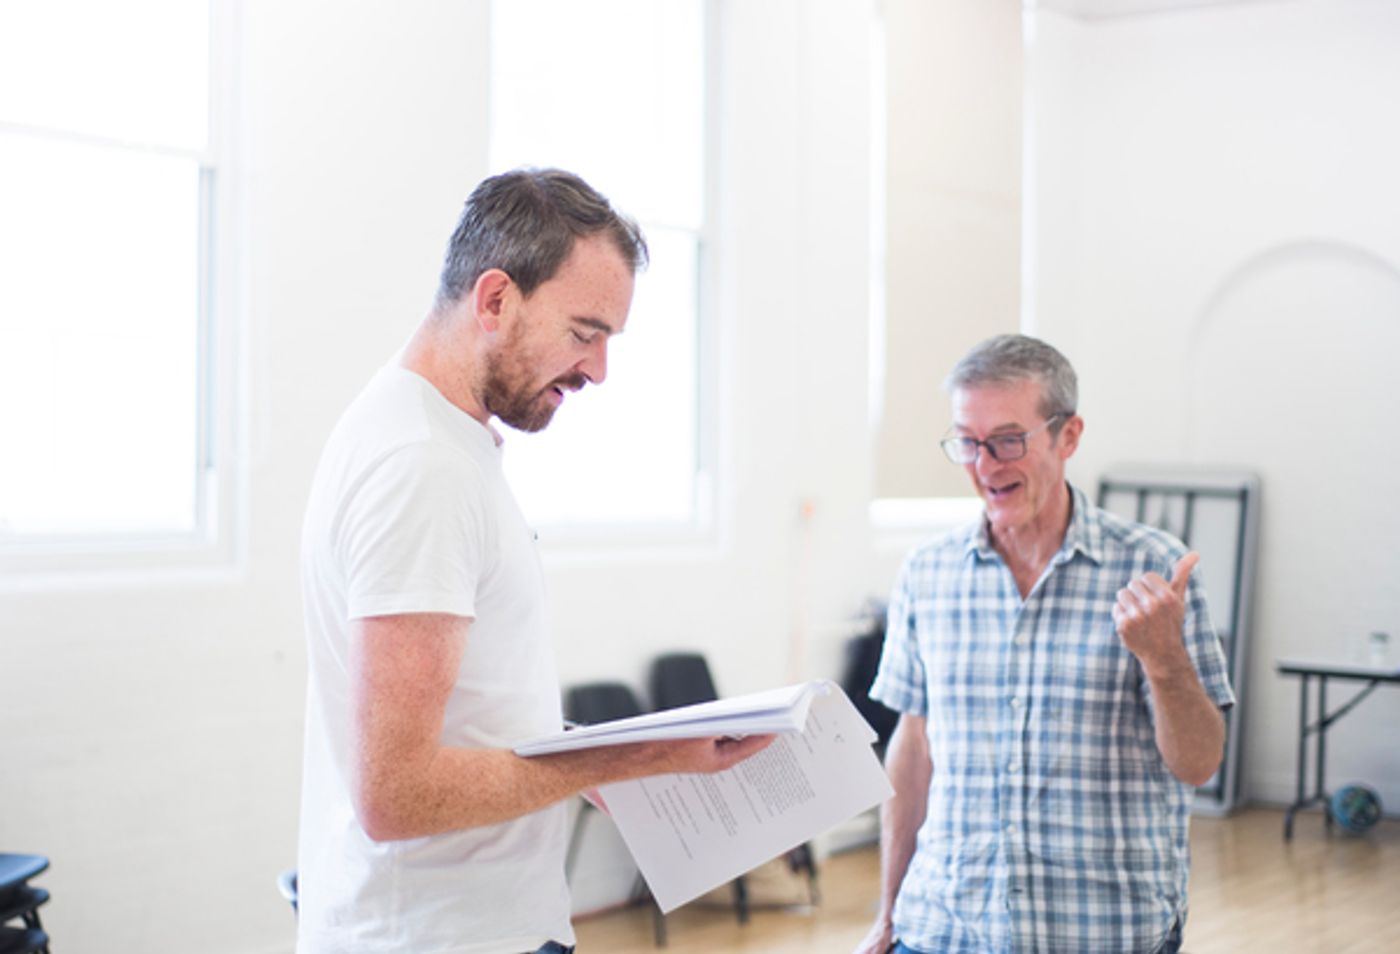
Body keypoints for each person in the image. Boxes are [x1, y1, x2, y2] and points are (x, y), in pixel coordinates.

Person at [296, 168, 771, 954]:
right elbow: (397, 792)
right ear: (494, 300)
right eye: (585, 333)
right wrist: (628, 757)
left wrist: (599, 759)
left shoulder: (434, 438)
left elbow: (469, 712)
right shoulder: (422, 467)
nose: (597, 371)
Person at [854, 334, 1234, 954]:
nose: (985, 464)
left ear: (1069, 436)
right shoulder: (928, 573)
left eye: (1007, 440)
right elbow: (914, 747)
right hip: (944, 929)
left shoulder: (1152, 568)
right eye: (967, 442)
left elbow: (1199, 763)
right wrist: (889, 912)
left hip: (1100, 933)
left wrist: (1164, 658)